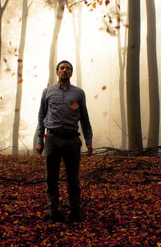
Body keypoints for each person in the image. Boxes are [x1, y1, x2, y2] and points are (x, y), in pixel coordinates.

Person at [35, 60, 93, 223]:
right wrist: (40, 139)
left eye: (68, 69)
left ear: (71, 73)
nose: (65, 71)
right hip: (52, 139)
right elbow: (41, 117)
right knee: (51, 179)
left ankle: (75, 212)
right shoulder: (47, 92)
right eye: (62, 68)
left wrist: (88, 141)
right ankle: (54, 212)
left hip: (72, 140)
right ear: (57, 72)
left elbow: (84, 118)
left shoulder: (78, 94)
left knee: (73, 179)